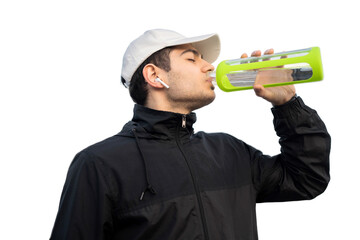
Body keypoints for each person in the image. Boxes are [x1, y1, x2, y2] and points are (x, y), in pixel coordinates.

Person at [50, 29, 331, 240]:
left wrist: (288, 105)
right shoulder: (99, 164)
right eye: (192, 58)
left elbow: (306, 179)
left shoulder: (228, 151)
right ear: (154, 75)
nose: (209, 67)